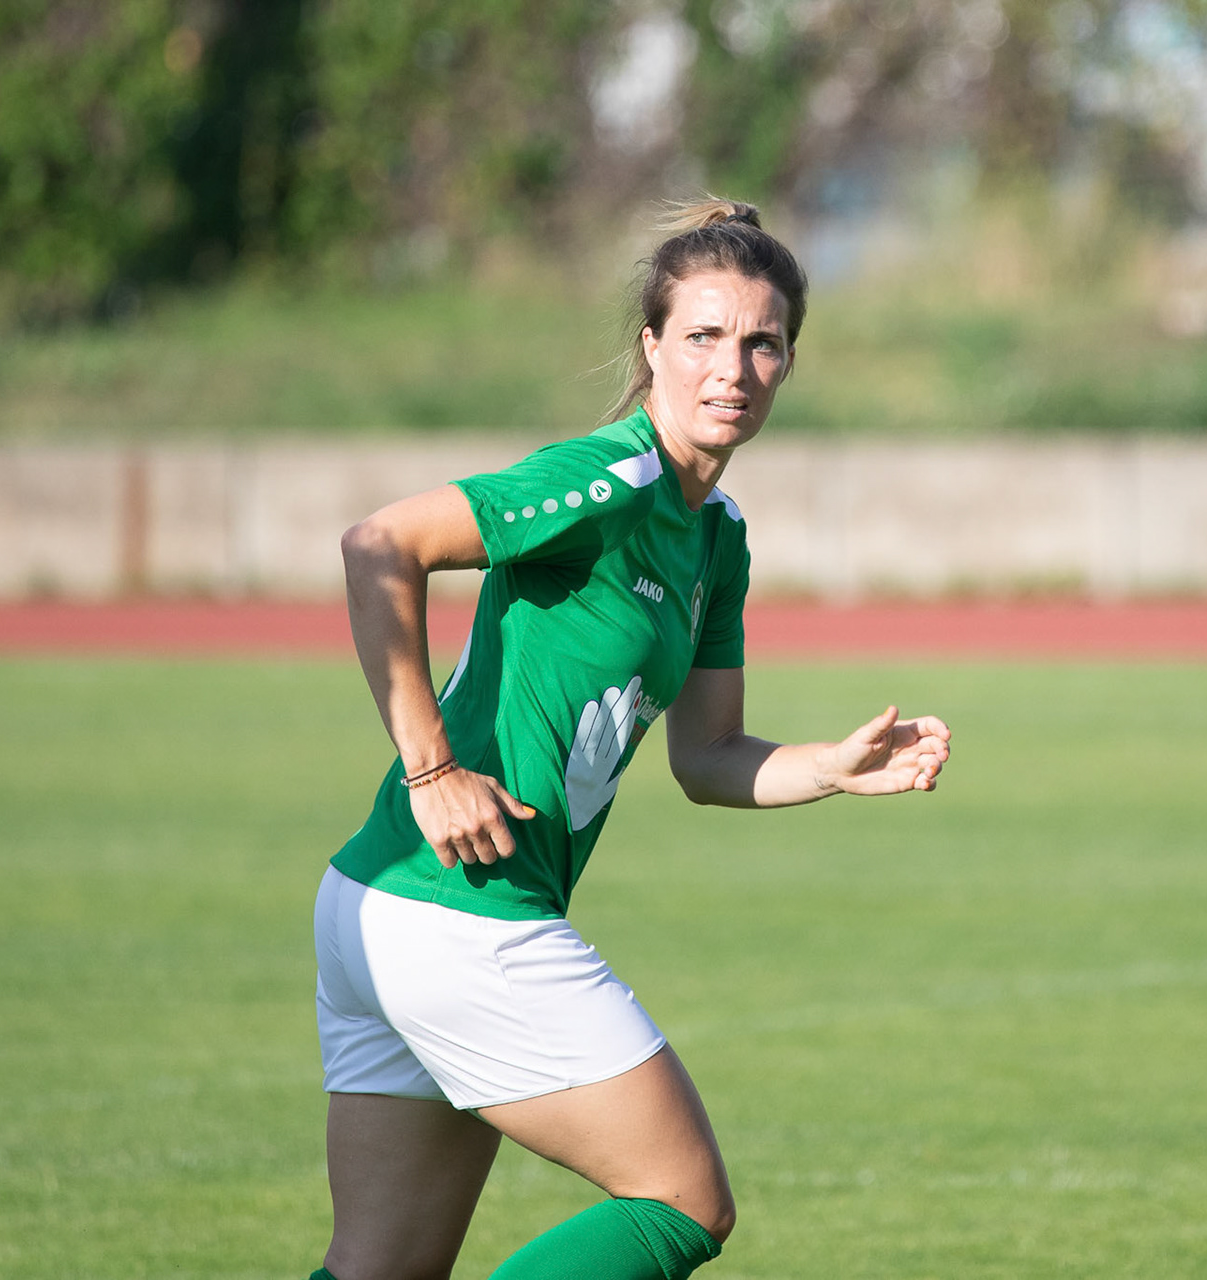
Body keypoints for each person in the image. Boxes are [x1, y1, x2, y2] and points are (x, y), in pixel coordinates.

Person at [308, 198, 952, 1280]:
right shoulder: (610, 477)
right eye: (702, 336)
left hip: (387, 907)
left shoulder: (716, 537)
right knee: (683, 1200)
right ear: (652, 346)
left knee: (381, 1267)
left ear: (789, 362)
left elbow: (708, 756)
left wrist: (831, 769)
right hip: (460, 911)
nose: (731, 369)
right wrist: (433, 767)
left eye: (761, 343)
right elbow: (380, 545)